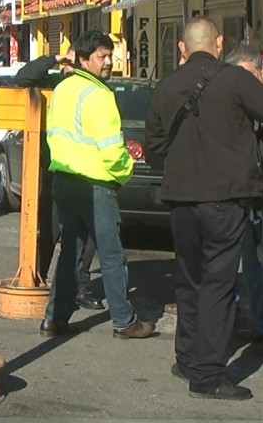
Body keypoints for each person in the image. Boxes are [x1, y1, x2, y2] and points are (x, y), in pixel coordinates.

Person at [146, 18, 263, 400]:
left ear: (182, 48)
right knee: (218, 281)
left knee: (190, 278)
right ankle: (209, 373)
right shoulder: (234, 79)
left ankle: (187, 358)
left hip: (181, 198)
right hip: (225, 198)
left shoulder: (166, 86)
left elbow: (154, 145)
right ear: (218, 42)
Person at [41, 30, 154, 340]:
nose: (109, 62)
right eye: (102, 56)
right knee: (112, 253)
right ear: (82, 59)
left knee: (70, 252)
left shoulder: (64, 88)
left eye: (109, 55)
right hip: (94, 185)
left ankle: (54, 318)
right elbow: (111, 150)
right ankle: (124, 321)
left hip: (65, 180)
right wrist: (126, 171)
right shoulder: (100, 95)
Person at [15, 48, 103, 311]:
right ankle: (38, 279)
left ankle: (80, 287)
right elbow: (23, 78)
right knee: (48, 230)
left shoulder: (95, 89)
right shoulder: (56, 85)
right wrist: (53, 59)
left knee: (86, 236)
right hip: (54, 170)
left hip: (86, 171)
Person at [225, 44, 263, 345]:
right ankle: (257, 323)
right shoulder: (230, 111)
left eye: (247, 77)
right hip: (243, 196)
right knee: (250, 263)